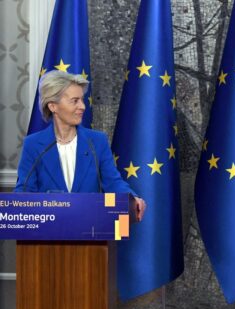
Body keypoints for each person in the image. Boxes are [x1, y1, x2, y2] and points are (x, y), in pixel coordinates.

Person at [14, 70, 146, 220]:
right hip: (47, 235)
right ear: (53, 106)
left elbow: (113, 182)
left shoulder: (97, 141)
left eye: (82, 100)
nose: (82, 106)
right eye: (75, 101)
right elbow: (24, 191)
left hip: (92, 231)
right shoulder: (33, 145)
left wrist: (132, 199)